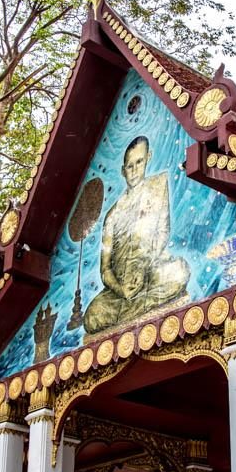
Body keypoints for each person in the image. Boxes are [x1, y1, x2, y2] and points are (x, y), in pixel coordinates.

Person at [83, 136, 190, 334]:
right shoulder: (112, 215)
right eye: (129, 166)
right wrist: (121, 289)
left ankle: (133, 308)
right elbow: (105, 269)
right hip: (121, 288)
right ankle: (134, 306)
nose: (134, 170)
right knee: (92, 316)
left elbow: (162, 233)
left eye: (139, 162)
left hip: (151, 273)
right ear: (123, 170)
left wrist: (143, 268)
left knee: (180, 271)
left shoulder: (157, 187)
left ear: (148, 158)